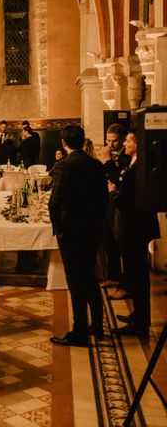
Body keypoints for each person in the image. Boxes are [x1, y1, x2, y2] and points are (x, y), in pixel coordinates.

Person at [49, 124, 107, 347]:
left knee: (75, 281)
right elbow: (104, 199)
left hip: (71, 231)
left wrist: (58, 229)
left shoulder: (64, 166)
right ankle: (98, 326)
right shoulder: (95, 165)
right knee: (89, 276)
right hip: (92, 229)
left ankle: (80, 331)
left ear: (64, 143)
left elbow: (54, 203)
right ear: (83, 141)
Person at [108, 132, 160, 337]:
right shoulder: (133, 163)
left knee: (138, 276)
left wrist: (112, 191)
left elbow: (124, 201)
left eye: (129, 140)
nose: (125, 143)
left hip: (135, 228)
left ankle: (141, 323)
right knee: (135, 274)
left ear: (138, 144)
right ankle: (139, 315)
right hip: (135, 227)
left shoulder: (139, 169)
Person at [98, 123, 131, 297]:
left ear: (123, 140)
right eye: (108, 140)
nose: (110, 145)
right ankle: (114, 276)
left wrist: (107, 162)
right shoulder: (107, 155)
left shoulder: (127, 157)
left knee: (121, 245)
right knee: (108, 239)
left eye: (115, 141)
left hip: (120, 204)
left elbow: (117, 180)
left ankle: (126, 283)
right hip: (107, 204)